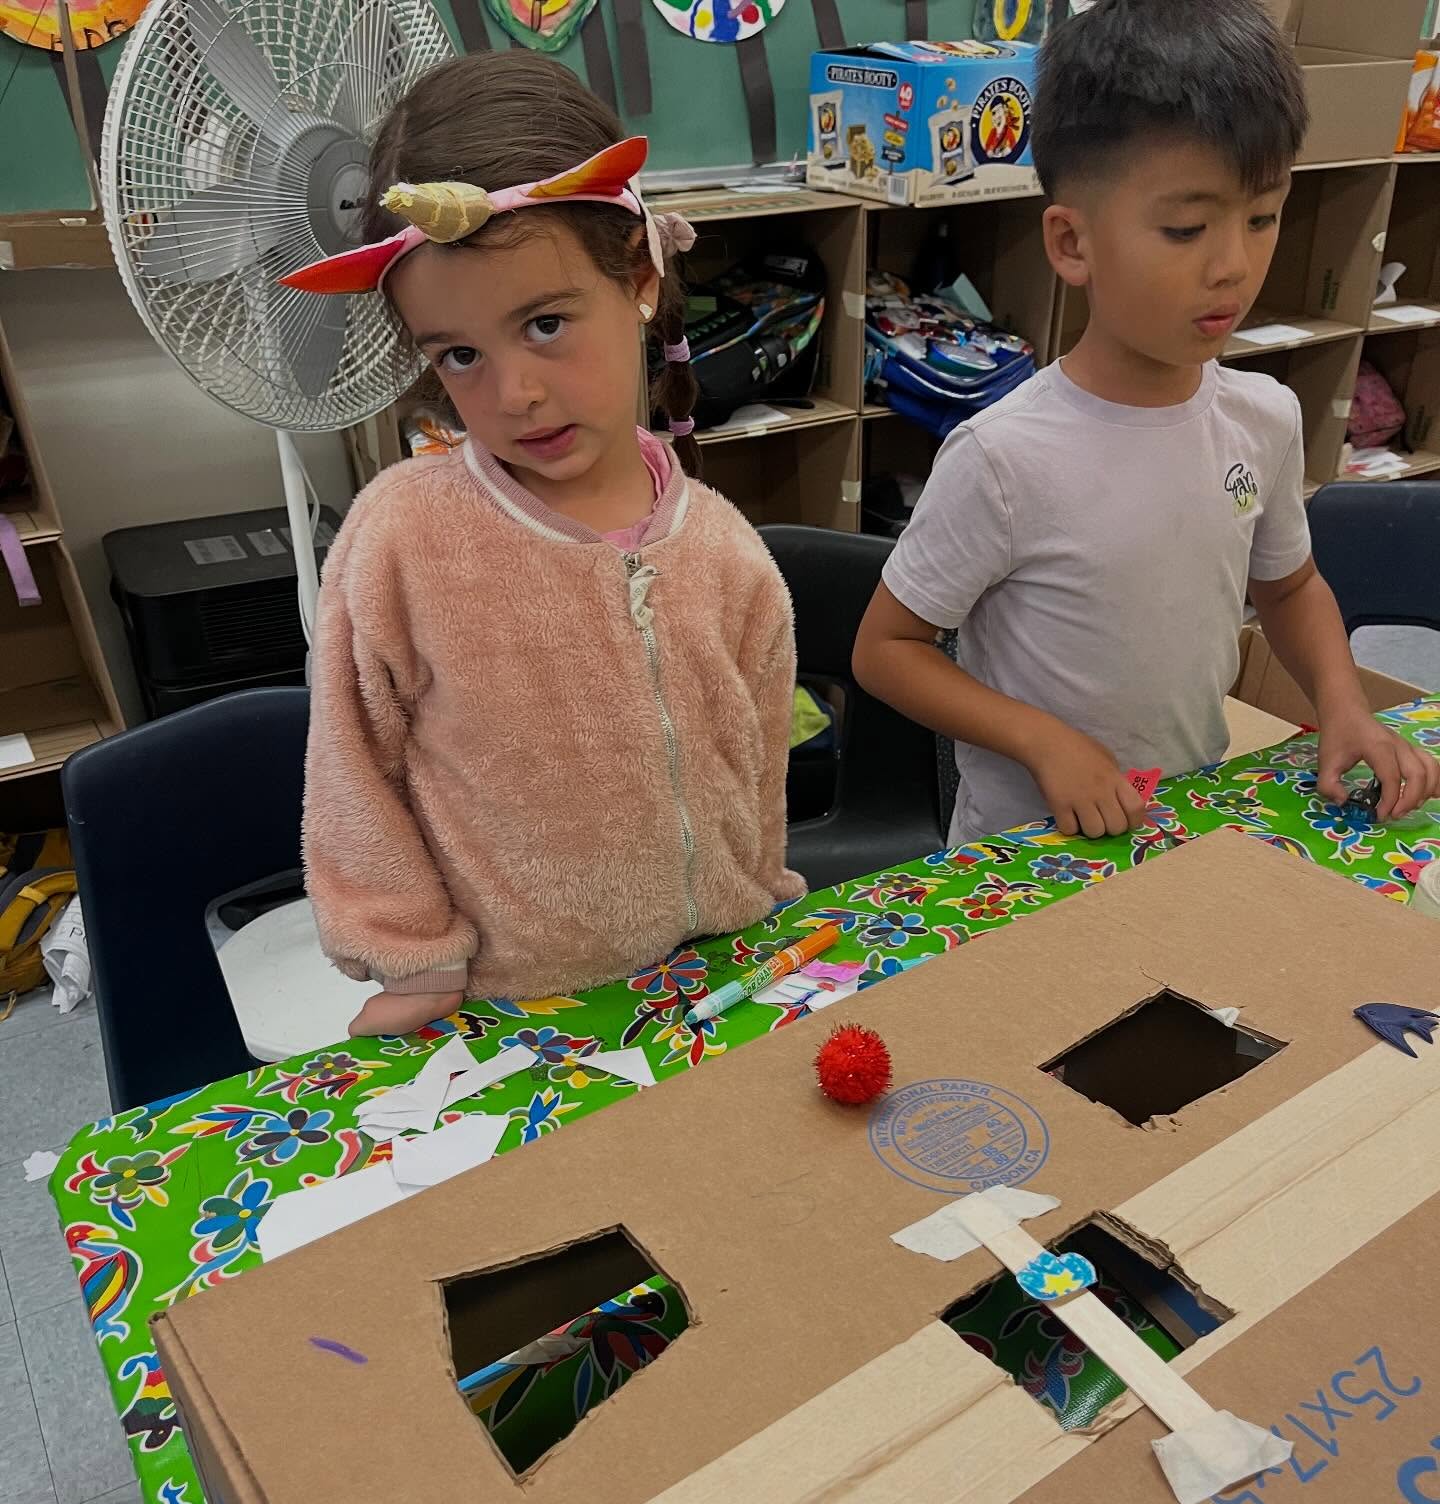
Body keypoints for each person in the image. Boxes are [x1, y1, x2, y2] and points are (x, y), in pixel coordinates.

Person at [288, 52, 802, 1036]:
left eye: (547, 323)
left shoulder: (727, 552)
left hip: (712, 980)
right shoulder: (404, 541)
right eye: (461, 355)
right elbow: (351, 768)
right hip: (519, 1004)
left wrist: (759, 887)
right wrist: (409, 953)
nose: (514, 394)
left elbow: (759, 758)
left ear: (639, 277)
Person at [853, 0, 1440, 846]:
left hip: (1187, 816)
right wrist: (1043, 741)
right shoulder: (1003, 456)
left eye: (1262, 217)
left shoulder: (1264, 417)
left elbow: (1289, 587)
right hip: (1027, 851)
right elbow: (887, 650)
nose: (1233, 264)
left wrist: (1343, 704)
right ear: (1072, 244)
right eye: (1186, 228)